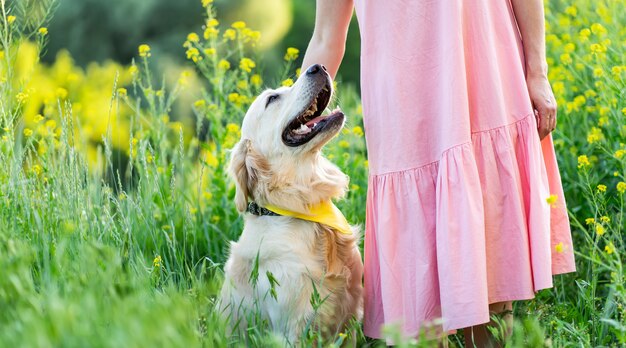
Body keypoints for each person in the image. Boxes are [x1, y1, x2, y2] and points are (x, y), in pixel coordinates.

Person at [300, 0, 576, 346]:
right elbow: (327, 35)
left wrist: (538, 71)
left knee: (491, 291)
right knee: (422, 313)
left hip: (483, 72)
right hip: (406, 107)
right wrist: (291, 118)